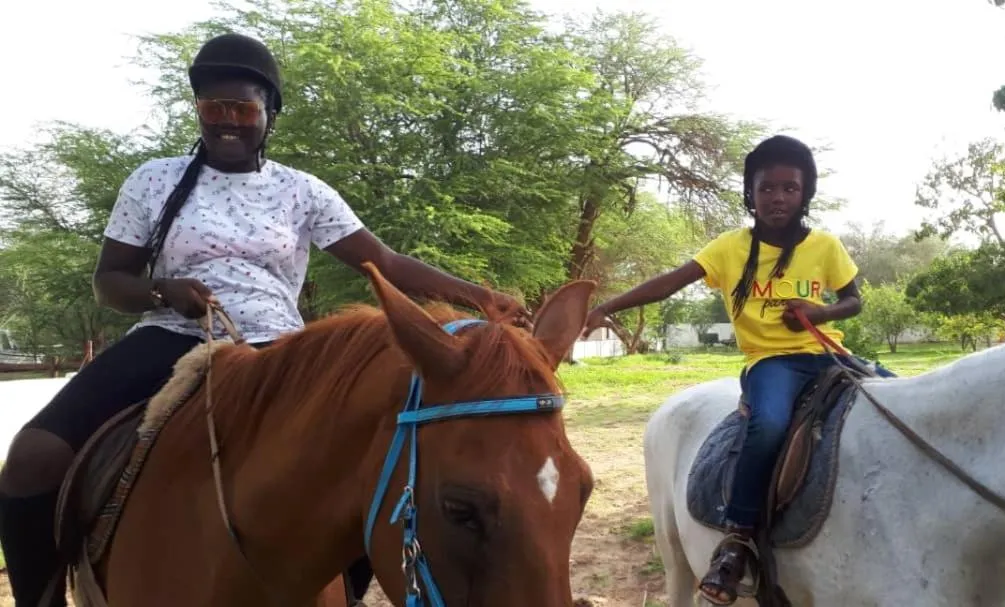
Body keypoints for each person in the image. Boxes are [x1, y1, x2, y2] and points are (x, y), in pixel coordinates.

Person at [0, 32, 527, 607]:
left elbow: (387, 262)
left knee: (361, 464)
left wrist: (485, 298)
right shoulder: (153, 179)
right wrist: (162, 290)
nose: (228, 121)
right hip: (171, 336)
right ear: (198, 111)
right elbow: (110, 282)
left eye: (243, 108)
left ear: (269, 114)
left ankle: (345, 592)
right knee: (32, 459)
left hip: (282, 352)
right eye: (213, 108)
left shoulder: (301, 191)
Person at [582, 135, 891, 605]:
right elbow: (670, 283)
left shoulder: (825, 245)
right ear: (751, 192)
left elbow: (854, 300)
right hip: (772, 364)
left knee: (897, 399)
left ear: (805, 193)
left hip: (828, 357)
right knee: (767, 425)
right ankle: (737, 539)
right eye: (767, 188)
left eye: (790, 188)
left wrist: (821, 311)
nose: (778, 198)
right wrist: (607, 306)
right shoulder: (730, 248)